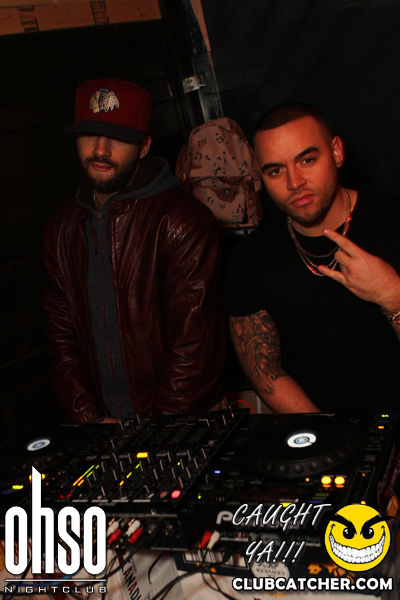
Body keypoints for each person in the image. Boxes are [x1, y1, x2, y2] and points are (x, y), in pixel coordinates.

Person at [44, 78, 225, 424]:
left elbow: (195, 348)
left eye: (118, 137)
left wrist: (153, 434)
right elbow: (61, 334)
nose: (100, 150)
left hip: (175, 425)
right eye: (89, 134)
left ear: (144, 146)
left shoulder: (182, 221)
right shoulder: (62, 227)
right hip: (102, 428)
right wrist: (89, 419)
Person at [225, 101, 400, 413]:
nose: (294, 182)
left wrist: (392, 294)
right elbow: (264, 371)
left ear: (337, 152)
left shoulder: (393, 221)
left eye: (307, 160)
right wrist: (328, 435)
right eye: (276, 170)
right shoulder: (250, 260)